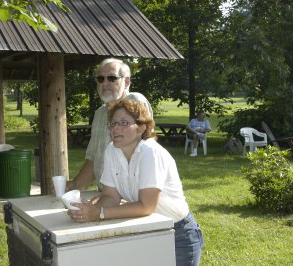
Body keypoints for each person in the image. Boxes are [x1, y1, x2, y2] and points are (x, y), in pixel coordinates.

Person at [67, 99, 204, 266]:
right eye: (113, 123)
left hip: (178, 235)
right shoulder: (112, 150)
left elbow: (146, 206)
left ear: (141, 128)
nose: (116, 128)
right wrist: (88, 212)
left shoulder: (150, 152)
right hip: (145, 229)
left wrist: (100, 213)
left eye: (124, 123)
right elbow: (111, 195)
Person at [66, 58, 153, 191]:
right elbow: (94, 160)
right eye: (100, 79)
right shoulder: (99, 114)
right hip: (107, 195)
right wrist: (74, 185)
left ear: (126, 82)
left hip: (132, 196)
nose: (105, 83)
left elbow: (144, 155)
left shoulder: (134, 102)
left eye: (112, 78)